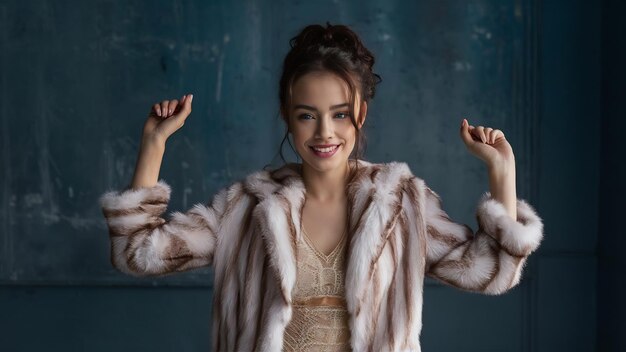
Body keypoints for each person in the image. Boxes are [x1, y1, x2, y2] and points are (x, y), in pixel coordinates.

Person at [99, 23, 544, 352]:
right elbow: (137, 253)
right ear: (287, 116)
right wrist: (154, 144)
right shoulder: (248, 206)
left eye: (340, 114)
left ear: (361, 115)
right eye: (307, 114)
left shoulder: (399, 202)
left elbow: (489, 272)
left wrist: (502, 173)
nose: (324, 132)